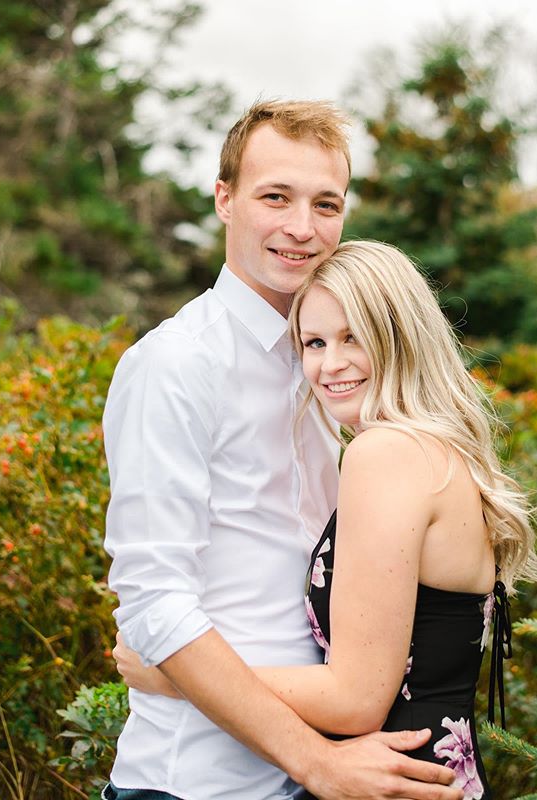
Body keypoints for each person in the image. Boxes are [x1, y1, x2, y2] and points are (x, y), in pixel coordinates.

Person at [102, 101, 464, 800]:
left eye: (326, 204)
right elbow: (153, 604)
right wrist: (316, 761)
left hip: (327, 772)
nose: (303, 228)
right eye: (276, 197)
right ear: (224, 199)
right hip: (201, 783)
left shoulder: (335, 369)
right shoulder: (177, 364)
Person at [114, 241, 537, 800]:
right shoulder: (436, 451)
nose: (329, 364)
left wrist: (174, 677)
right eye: (313, 343)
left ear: (400, 337)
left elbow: (355, 698)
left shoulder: (384, 454)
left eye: (353, 338)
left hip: (389, 779)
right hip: (434, 774)